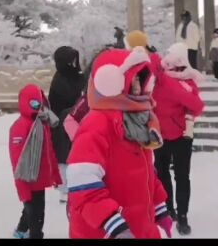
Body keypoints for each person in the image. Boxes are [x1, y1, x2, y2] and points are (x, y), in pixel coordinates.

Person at [66, 47, 173, 239]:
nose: (139, 86)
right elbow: (84, 186)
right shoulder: (97, 125)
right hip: (105, 231)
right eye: (134, 79)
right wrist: (112, 223)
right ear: (114, 82)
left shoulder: (138, 122)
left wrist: (159, 207)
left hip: (139, 226)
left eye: (142, 79)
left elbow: (147, 172)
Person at [152, 43, 205, 235]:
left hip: (181, 135)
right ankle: (169, 210)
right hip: (159, 134)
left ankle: (182, 215)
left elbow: (196, 106)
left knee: (181, 176)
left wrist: (189, 116)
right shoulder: (158, 79)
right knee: (163, 174)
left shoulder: (185, 81)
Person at [10, 84, 62, 239]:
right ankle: (34, 234)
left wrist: (55, 175)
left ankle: (21, 230)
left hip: (40, 179)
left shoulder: (42, 123)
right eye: (33, 104)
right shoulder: (20, 127)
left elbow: (49, 153)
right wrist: (22, 187)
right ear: (24, 103)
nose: (37, 107)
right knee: (34, 214)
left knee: (36, 211)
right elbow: (17, 161)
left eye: (39, 103)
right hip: (27, 179)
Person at [48, 46, 85, 204]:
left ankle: (73, 185)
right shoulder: (61, 79)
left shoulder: (73, 76)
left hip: (75, 119)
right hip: (63, 120)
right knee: (64, 155)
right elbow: (69, 97)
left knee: (75, 153)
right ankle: (64, 188)